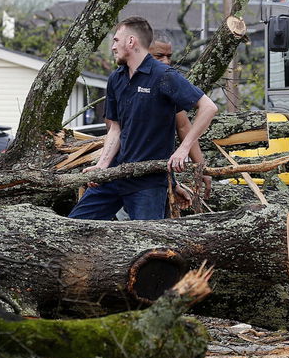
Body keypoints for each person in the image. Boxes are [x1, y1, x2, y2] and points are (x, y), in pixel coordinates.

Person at [70, 17, 218, 220]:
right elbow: (115, 129)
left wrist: (183, 150)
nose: (112, 47)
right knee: (74, 226)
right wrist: (102, 166)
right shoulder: (116, 79)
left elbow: (209, 107)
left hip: (148, 182)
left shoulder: (164, 75)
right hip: (115, 174)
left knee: (148, 244)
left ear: (131, 42)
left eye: (116, 40)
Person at [148, 36, 212, 207]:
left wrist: (201, 168)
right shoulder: (124, 80)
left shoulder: (167, 82)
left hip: (158, 175)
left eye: (169, 56)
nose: (166, 61)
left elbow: (184, 126)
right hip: (124, 173)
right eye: (159, 56)